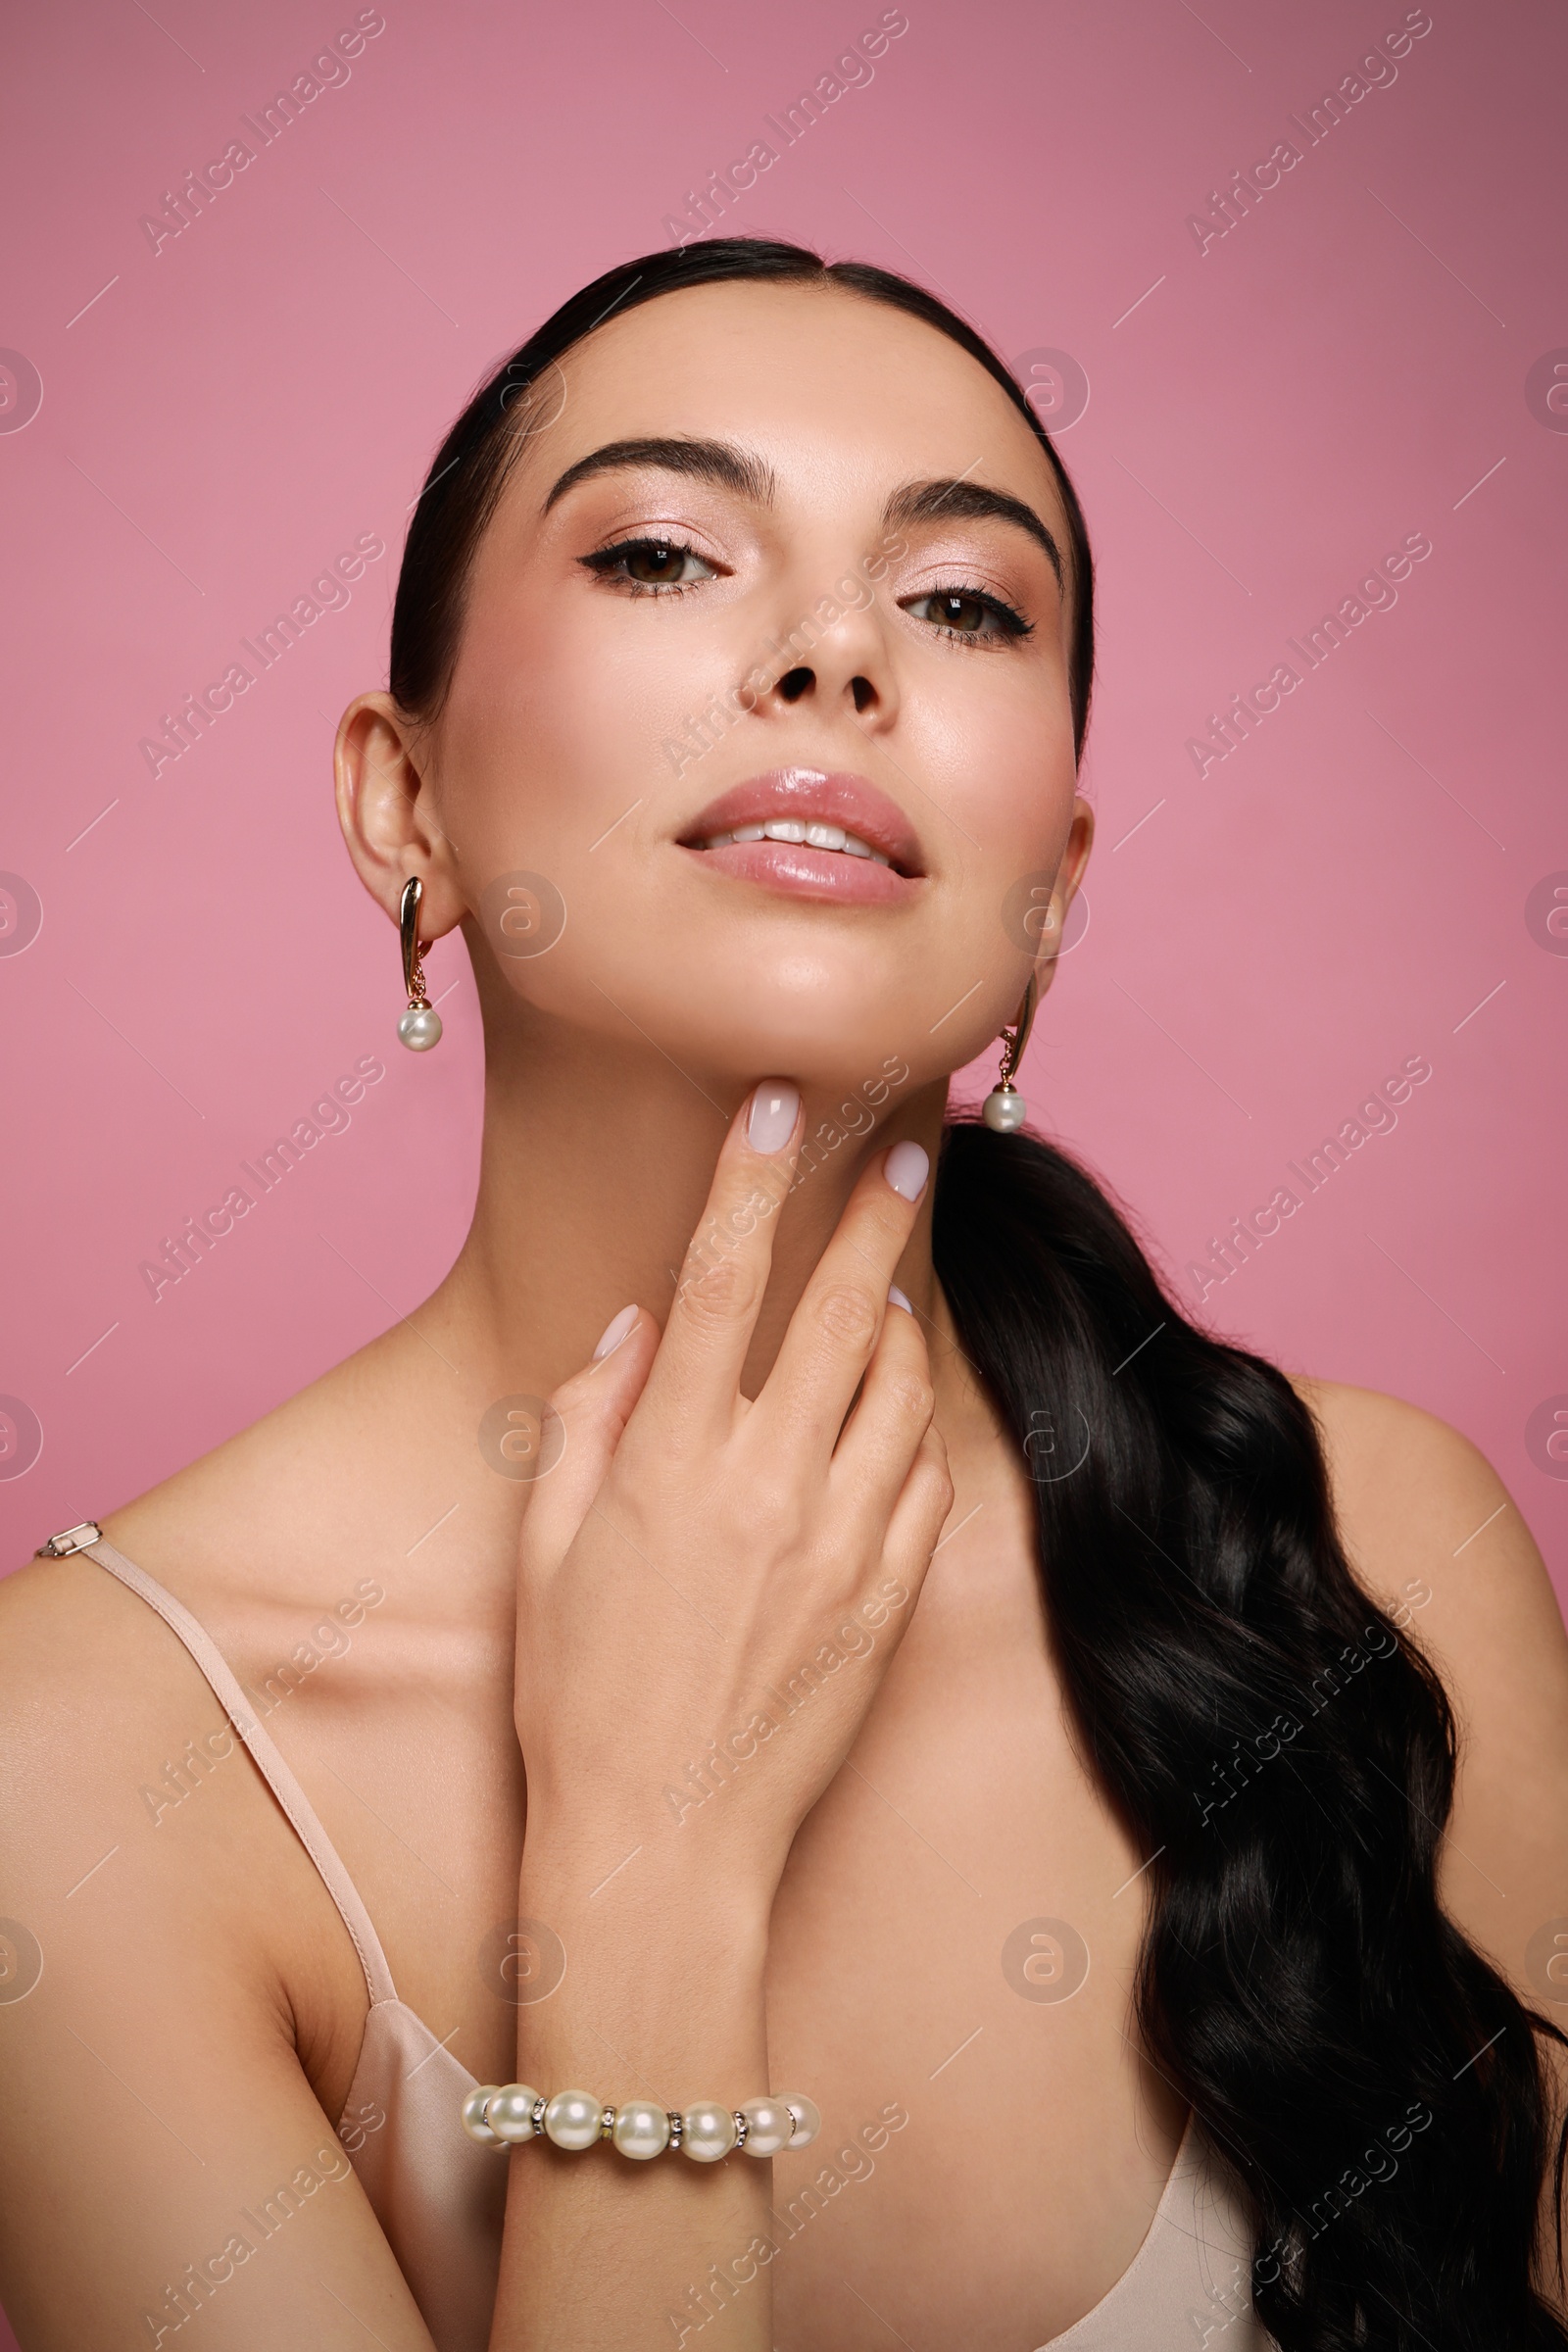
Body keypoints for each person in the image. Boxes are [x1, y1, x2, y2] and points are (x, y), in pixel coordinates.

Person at [1, 237, 1565, 2352]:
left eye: (958, 603)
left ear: (1051, 893)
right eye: (663, 554)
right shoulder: (77, 1776)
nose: (837, 652)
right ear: (406, 803)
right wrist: (653, 1871)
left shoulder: (1375, 1552)